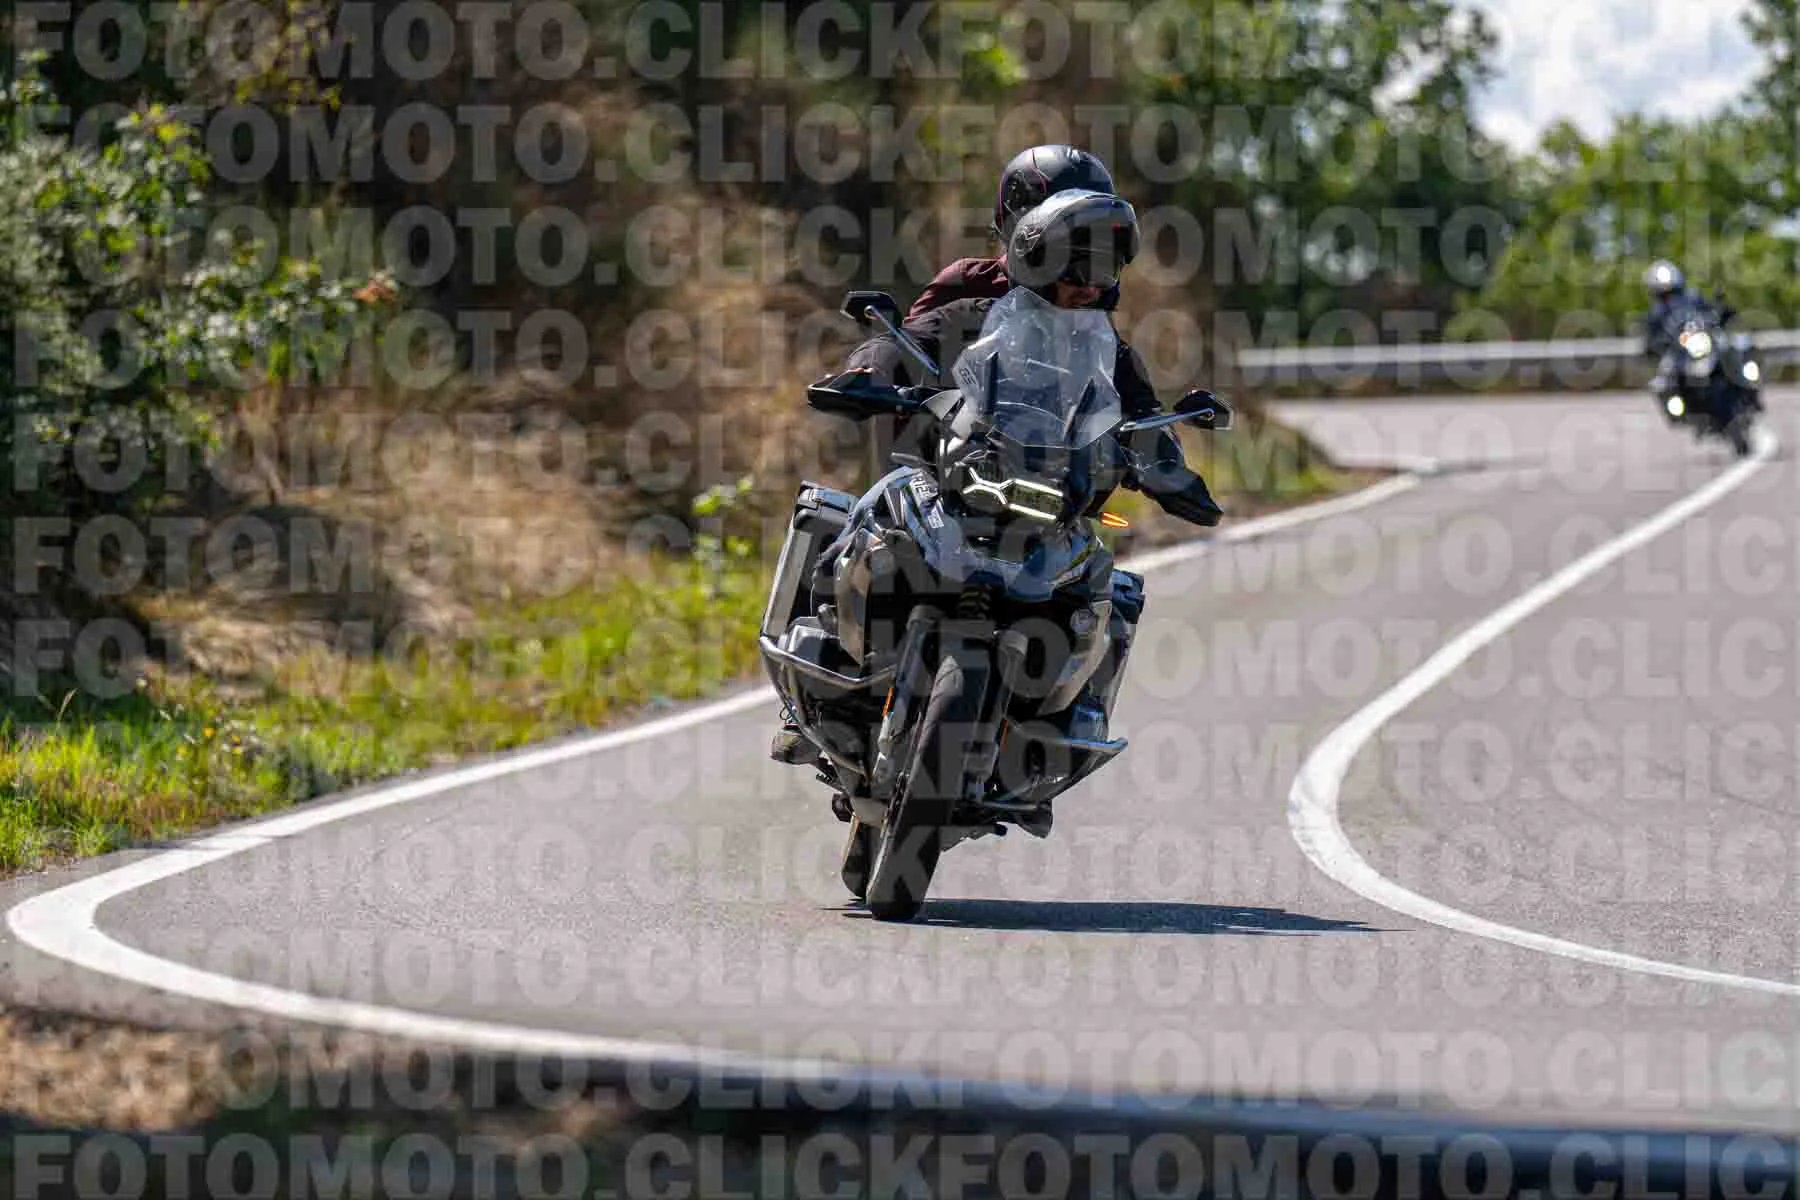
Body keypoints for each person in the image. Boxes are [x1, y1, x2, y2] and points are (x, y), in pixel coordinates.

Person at [774, 189, 1223, 768]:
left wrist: (1169, 469)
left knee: (1109, 589)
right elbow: (902, 341)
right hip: (957, 482)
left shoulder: (1110, 352)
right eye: (1079, 266)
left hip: (1052, 508)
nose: (1092, 284)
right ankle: (822, 672)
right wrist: (868, 372)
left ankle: (1063, 731)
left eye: (1106, 268)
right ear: (1037, 257)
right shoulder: (973, 313)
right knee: (866, 512)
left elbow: (1143, 416)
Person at [903, 144, 1120, 322]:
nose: (1088, 289)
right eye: (1066, 258)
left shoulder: (1095, 302)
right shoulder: (965, 283)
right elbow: (907, 349)